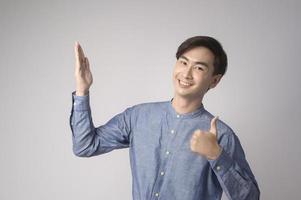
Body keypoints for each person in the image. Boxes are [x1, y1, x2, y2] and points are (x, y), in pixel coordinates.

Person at [69, 36, 260, 200]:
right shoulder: (137, 117)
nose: (186, 73)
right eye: (183, 62)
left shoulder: (221, 135)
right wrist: (82, 90)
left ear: (215, 80)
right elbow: (85, 146)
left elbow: (250, 197)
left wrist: (216, 155)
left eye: (199, 68)